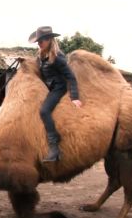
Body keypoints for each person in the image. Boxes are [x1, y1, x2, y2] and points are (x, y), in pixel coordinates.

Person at [28, 26, 82, 162]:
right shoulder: (41, 56)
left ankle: (54, 147)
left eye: (41, 41)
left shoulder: (57, 58)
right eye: (38, 41)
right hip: (48, 87)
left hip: (58, 88)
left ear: (49, 40)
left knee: (44, 111)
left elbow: (71, 77)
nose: (39, 44)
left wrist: (75, 97)